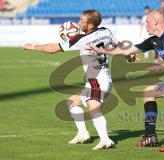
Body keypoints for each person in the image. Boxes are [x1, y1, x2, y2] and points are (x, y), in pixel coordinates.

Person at [87, 10, 164, 152]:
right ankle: (150, 136)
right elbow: (128, 50)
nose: (146, 25)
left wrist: (163, 66)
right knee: (148, 92)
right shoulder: (153, 40)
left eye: (148, 22)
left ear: (156, 22)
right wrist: (103, 52)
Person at [23, 10, 118, 150]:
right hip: (98, 79)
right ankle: (83, 134)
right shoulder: (105, 31)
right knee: (72, 102)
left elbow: (53, 48)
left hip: (97, 80)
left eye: (81, 21)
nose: (78, 22)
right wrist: (130, 56)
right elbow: (117, 45)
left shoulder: (81, 40)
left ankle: (105, 140)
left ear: (91, 25)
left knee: (93, 107)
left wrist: (32, 47)